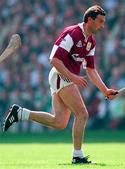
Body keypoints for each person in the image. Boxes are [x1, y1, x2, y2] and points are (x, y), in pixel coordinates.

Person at [3, 5, 118, 164]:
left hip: (65, 78)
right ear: (89, 20)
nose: (103, 26)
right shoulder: (72, 33)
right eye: (100, 21)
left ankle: (20, 113)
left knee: (59, 122)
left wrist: (105, 90)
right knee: (82, 114)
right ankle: (77, 156)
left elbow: (91, 69)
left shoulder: (91, 41)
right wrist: (73, 77)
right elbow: (54, 59)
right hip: (60, 75)